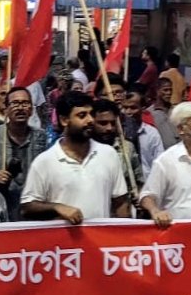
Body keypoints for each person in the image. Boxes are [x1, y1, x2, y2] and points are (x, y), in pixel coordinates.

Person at [20, 91, 130, 223]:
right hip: (62, 242)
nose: (90, 120)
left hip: (100, 240)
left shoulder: (108, 154)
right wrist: (57, 207)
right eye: (82, 115)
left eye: (91, 114)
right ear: (64, 120)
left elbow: (120, 203)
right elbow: (27, 207)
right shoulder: (44, 161)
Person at [0, 86, 49, 220]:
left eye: (25, 103)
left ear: (31, 110)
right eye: (15, 103)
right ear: (5, 109)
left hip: (33, 211)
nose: (20, 108)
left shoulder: (41, 137)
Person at [121, 90, 164, 178]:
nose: (128, 112)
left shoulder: (151, 133)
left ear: (143, 108)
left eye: (133, 108)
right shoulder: (119, 133)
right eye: (125, 108)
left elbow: (159, 161)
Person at [147, 77, 179, 148]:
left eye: (170, 90)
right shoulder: (150, 113)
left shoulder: (176, 110)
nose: (169, 93)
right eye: (165, 90)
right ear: (157, 91)